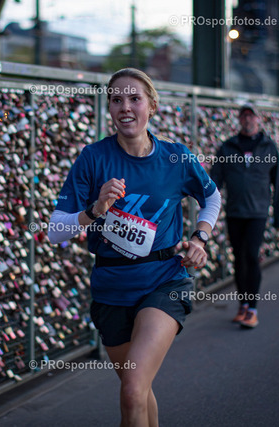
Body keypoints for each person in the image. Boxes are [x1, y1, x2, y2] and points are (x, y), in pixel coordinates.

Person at [48, 68, 221, 427]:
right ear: (109, 108)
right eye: (117, 100)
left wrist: (200, 237)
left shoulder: (175, 157)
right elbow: (54, 231)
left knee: (132, 390)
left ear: (152, 106)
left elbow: (212, 197)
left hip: (164, 281)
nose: (125, 107)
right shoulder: (93, 158)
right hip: (111, 288)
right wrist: (95, 210)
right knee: (138, 389)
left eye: (134, 98)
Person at [210, 104, 279, 329]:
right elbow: (214, 181)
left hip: (258, 213)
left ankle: (252, 309)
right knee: (238, 259)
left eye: (251, 116)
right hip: (235, 212)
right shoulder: (228, 147)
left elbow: (278, 183)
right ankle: (243, 305)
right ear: (239, 120)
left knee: (251, 256)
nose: (248, 120)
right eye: (244, 116)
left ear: (258, 119)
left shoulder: (268, 147)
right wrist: (207, 210)